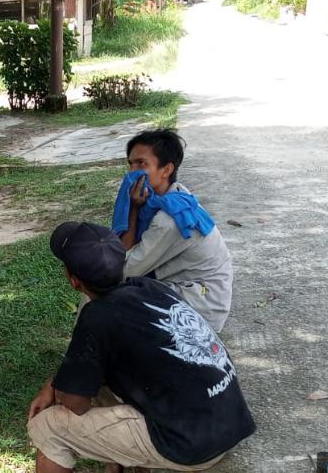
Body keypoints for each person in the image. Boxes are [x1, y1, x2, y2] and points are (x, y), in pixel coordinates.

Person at [28, 222, 256, 473]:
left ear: (73, 280)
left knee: (48, 427)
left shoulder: (98, 316)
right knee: (105, 385)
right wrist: (55, 382)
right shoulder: (150, 288)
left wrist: (59, 389)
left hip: (191, 446)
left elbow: (75, 403)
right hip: (228, 420)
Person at [113, 129, 235, 333]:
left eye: (141, 164)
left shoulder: (169, 219)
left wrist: (133, 209)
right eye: (131, 164)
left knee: (108, 287)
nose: (132, 172)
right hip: (190, 289)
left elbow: (125, 271)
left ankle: (89, 348)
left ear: (166, 170)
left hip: (203, 305)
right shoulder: (167, 195)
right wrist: (134, 207)